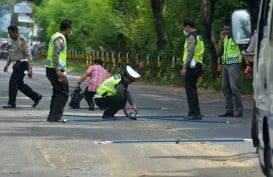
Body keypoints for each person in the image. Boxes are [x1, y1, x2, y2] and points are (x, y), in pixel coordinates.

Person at [2, 25, 42, 109]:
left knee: (13, 83)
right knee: (19, 84)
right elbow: (11, 54)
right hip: (16, 65)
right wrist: (7, 64)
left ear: (15, 32)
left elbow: (29, 55)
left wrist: (30, 68)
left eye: (10, 33)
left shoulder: (22, 41)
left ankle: (11, 103)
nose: (9, 35)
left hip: (22, 64)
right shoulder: (13, 41)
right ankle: (36, 96)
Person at [44, 19, 72, 122]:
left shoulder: (55, 35)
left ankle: (52, 116)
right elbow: (56, 54)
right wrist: (58, 70)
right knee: (63, 92)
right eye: (70, 29)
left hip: (51, 69)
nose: (70, 31)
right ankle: (55, 117)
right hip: (55, 70)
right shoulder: (60, 38)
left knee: (58, 92)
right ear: (68, 28)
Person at [216, 20, 243, 117]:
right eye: (225, 29)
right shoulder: (225, 38)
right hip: (225, 65)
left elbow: (244, 49)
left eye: (228, 29)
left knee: (234, 88)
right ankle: (229, 111)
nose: (226, 31)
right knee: (225, 88)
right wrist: (221, 40)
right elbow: (218, 52)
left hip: (234, 64)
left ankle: (239, 111)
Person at [180, 19, 204, 120]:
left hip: (192, 65)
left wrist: (185, 67)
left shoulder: (192, 36)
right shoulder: (199, 36)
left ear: (188, 26)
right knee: (192, 89)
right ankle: (194, 111)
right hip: (197, 64)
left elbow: (190, 53)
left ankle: (195, 113)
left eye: (184, 27)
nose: (184, 30)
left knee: (190, 90)